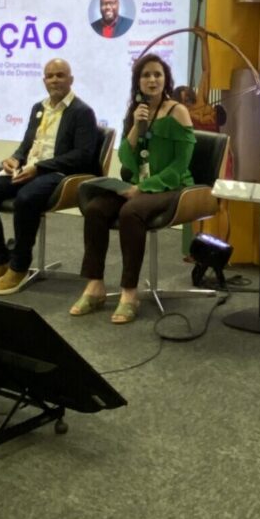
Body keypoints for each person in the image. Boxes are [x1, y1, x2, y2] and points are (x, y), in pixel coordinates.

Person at [71, 54, 196, 323]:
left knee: (131, 212)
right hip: (138, 185)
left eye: (157, 75)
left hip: (171, 186)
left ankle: (129, 292)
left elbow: (179, 165)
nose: (152, 80)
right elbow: (127, 162)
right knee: (95, 209)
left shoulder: (178, 112)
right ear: (137, 81)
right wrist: (135, 129)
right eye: (146, 75)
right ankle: (95, 285)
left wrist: (144, 187)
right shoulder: (135, 111)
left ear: (166, 80)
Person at [0, 58, 100, 295]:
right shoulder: (38, 108)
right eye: (50, 76)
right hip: (28, 169)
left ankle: (19, 266)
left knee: (26, 198)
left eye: (60, 75)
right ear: (44, 80)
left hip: (59, 174)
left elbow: (82, 156)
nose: (54, 80)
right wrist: (15, 159)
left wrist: (39, 168)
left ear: (70, 79)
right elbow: (27, 144)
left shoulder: (82, 112)